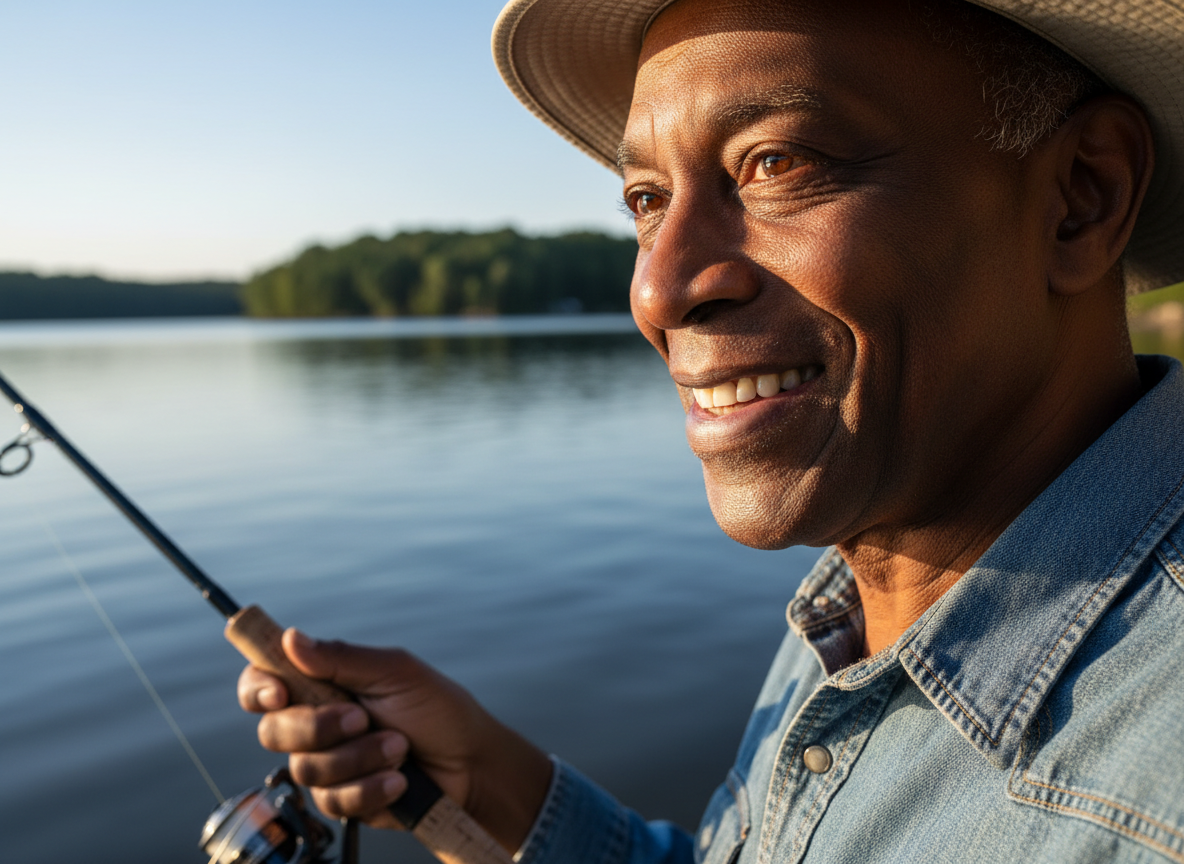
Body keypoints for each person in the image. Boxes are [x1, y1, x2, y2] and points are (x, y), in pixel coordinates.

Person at [239, 0, 1184, 860]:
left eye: (778, 162)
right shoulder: (875, 577)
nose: (657, 288)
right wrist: (488, 784)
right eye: (647, 202)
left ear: (1080, 197)